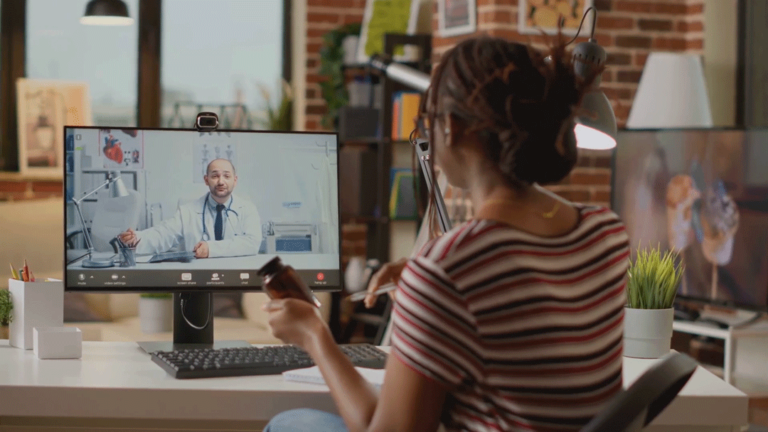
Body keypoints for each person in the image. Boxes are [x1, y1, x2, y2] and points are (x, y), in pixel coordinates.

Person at [262, 36, 630, 432]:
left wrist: (314, 336)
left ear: (451, 127)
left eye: (427, 121)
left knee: (287, 424)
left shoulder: (448, 269)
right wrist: (427, 279)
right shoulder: (606, 232)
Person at [119, 158, 262, 258]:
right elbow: (162, 234)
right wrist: (137, 239)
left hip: (235, 277)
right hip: (198, 278)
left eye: (226, 176)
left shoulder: (248, 209)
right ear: (206, 180)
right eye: (215, 176)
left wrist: (211, 249)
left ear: (235, 180)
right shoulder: (187, 211)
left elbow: (252, 243)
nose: (221, 181)